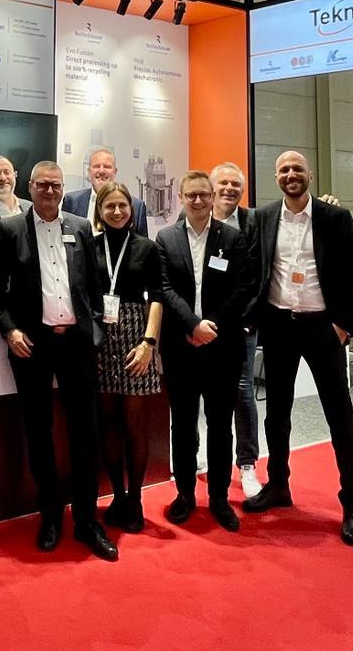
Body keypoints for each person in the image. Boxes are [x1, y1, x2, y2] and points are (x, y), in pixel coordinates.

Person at [0, 162, 117, 562]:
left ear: (63, 189)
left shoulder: (81, 227)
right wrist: (9, 330)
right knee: (38, 431)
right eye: (42, 185)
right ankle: (50, 517)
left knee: (85, 432)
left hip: (77, 345)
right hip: (33, 345)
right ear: (30, 187)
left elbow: (95, 285)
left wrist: (96, 329)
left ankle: (86, 520)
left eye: (55, 185)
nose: (49, 191)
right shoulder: (11, 229)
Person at [242, 150, 353, 547]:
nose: (291, 174)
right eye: (284, 170)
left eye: (297, 168)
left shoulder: (335, 218)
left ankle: (352, 504)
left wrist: (342, 328)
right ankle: (278, 485)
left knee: (340, 418)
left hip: (323, 328)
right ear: (276, 178)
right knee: (276, 415)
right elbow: (253, 269)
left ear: (310, 175)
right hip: (280, 326)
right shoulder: (263, 218)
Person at [155, 169, 258, 531]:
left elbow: (244, 287)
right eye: (191, 195)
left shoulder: (232, 238)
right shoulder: (165, 238)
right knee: (183, 425)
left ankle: (218, 498)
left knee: (220, 425)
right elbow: (164, 288)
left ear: (212, 198)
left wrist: (210, 324)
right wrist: (191, 325)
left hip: (222, 347)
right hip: (181, 347)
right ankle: (184, 494)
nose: (198, 201)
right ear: (181, 198)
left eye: (203, 194)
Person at [81, 181, 163, 534]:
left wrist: (149, 343)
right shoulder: (89, 245)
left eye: (122, 206)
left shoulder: (147, 247)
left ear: (132, 210)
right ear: (99, 211)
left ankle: (136, 499)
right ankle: (117, 495)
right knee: (108, 423)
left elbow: (157, 297)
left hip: (135, 337)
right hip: (99, 337)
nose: (116, 212)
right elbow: (82, 293)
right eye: (109, 206)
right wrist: (89, 342)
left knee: (134, 425)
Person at [210, 161, 262, 501]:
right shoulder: (195, 218)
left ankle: (247, 464)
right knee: (205, 392)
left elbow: (259, 274)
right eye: (224, 183)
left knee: (243, 392)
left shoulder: (253, 222)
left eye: (236, 185)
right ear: (212, 187)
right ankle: (200, 457)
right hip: (206, 324)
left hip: (241, 323)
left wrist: (246, 316)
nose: (229, 189)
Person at [63, 147, 147, 235]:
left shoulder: (137, 206)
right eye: (96, 166)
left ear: (115, 172)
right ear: (89, 171)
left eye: (107, 167)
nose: (101, 171)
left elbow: (142, 242)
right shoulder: (71, 201)